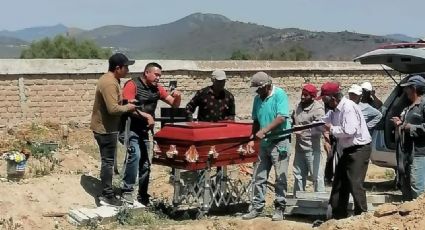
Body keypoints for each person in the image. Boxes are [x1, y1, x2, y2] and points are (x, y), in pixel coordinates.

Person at [120, 62, 181, 205]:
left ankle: (142, 195)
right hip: (130, 128)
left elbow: (174, 104)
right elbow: (126, 106)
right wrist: (146, 116)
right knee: (135, 155)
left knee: (146, 164)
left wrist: (177, 96)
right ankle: (127, 191)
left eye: (160, 75)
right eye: (156, 74)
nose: (158, 78)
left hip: (144, 130)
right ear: (147, 73)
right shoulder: (132, 84)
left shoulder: (157, 88)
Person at [242, 72, 291, 221]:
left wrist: (264, 131)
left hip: (279, 141)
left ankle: (280, 207)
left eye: (259, 88)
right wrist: (253, 137)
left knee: (280, 177)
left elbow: (281, 117)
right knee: (259, 175)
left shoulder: (279, 95)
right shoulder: (257, 99)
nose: (257, 92)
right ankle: (257, 206)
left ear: (267, 86)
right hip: (264, 143)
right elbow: (256, 120)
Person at [320, 82, 371, 220]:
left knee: (354, 182)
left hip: (359, 149)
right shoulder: (334, 110)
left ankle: (362, 216)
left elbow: (349, 130)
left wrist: (330, 129)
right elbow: (322, 122)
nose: (324, 102)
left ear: (333, 97)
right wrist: (313, 125)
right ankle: (338, 215)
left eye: (325, 99)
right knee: (339, 182)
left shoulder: (347, 108)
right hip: (347, 149)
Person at [90, 53, 136, 206]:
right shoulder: (110, 83)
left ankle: (107, 190)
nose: (128, 70)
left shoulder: (110, 79)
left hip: (106, 127)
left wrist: (126, 101)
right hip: (106, 129)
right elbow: (113, 109)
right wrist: (129, 107)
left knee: (107, 161)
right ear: (118, 68)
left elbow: (113, 101)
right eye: (126, 67)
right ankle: (107, 195)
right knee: (108, 162)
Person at [391, 75, 425, 200]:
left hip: (419, 153)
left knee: (417, 186)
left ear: (414, 88)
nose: (405, 91)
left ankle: (420, 215)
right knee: (407, 184)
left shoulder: (423, 105)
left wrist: (408, 127)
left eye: (407, 88)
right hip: (407, 152)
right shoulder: (409, 107)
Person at [292, 83, 325, 194]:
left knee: (316, 176)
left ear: (312, 97)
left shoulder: (317, 109)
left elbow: (321, 127)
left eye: (305, 95)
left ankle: (320, 202)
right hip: (299, 148)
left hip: (312, 148)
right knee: (298, 176)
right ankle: (298, 201)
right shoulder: (297, 106)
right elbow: (291, 119)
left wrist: (305, 130)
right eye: (302, 94)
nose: (302, 97)